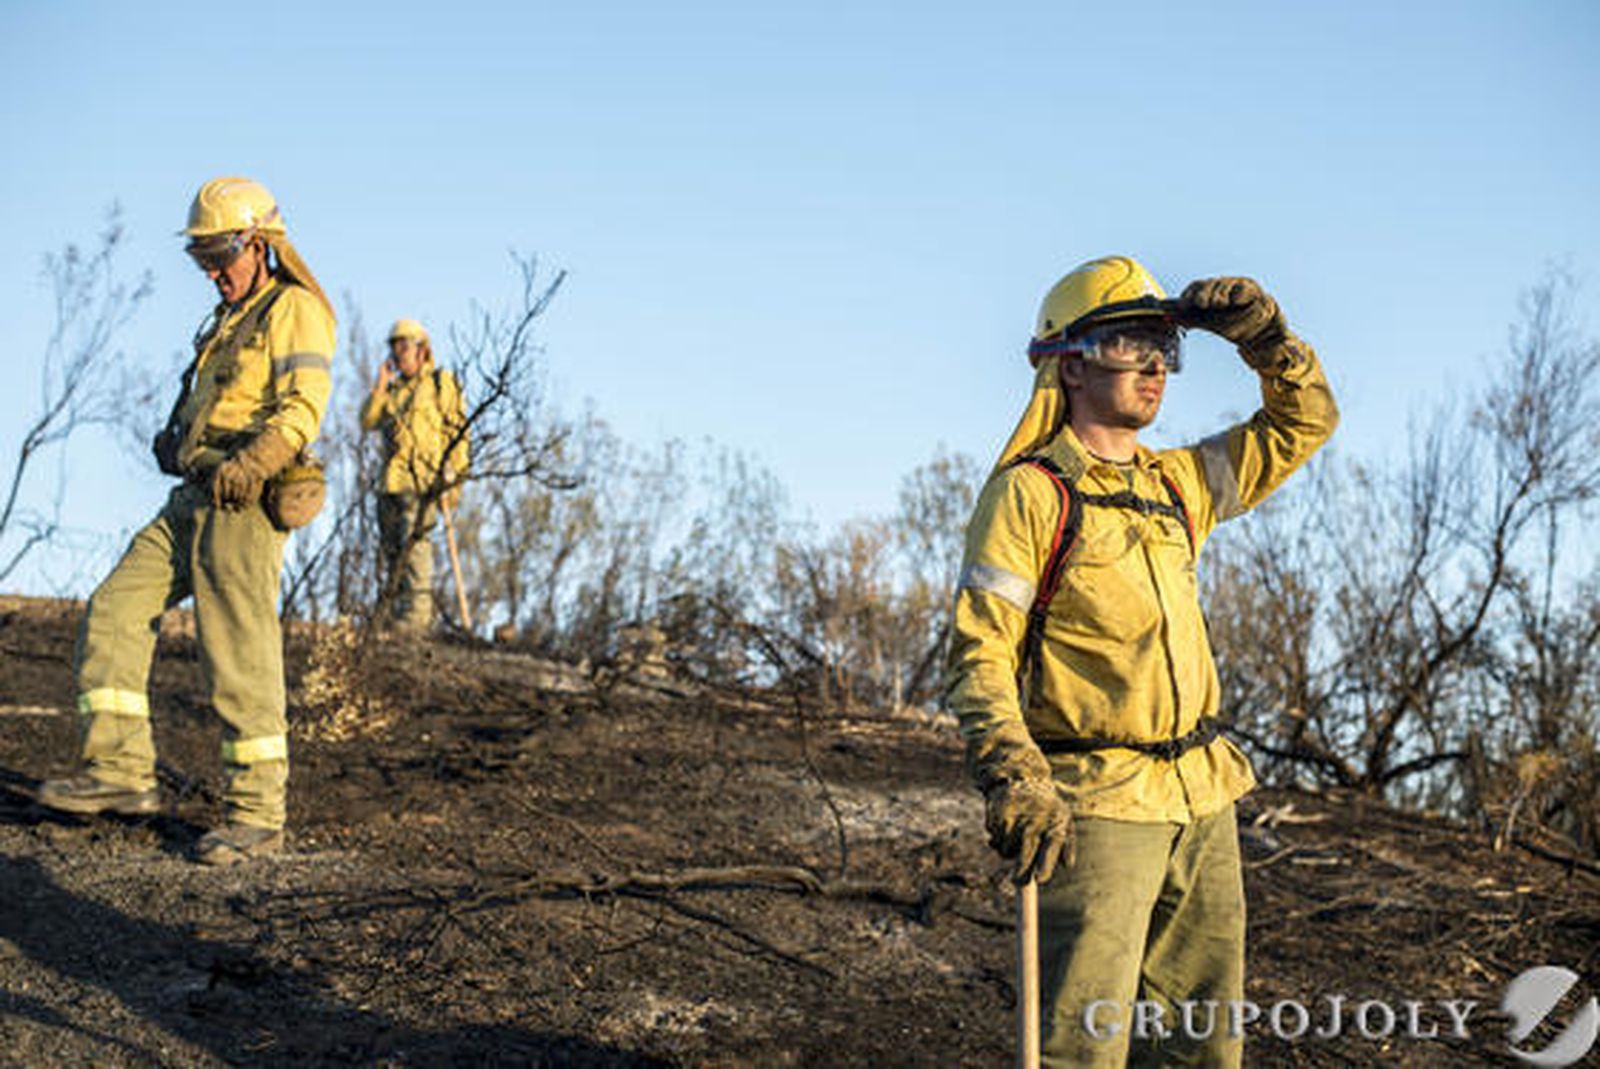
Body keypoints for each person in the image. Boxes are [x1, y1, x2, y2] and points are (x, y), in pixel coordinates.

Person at [945, 255, 1338, 1066]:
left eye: (1164, 346)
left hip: (1204, 800)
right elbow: (981, 650)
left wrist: (1269, 343)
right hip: (1096, 810)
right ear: (1071, 359)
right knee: (1081, 1045)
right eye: (1130, 343)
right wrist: (1013, 772)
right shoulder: (1031, 494)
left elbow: (1302, 425)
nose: (1156, 365)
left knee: (1202, 1043)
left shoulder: (1180, 483)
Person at [38, 176, 336, 866]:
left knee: (238, 652)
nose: (212, 270)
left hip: (243, 494)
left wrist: (255, 461)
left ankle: (258, 815)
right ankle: (118, 772)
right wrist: (179, 442)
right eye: (200, 257)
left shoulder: (295, 309)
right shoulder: (229, 319)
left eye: (220, 254)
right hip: (194, 493)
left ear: (259, 244)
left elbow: (302, 406)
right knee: (115, 606)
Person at [360, 318, 469, 632]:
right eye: (394, 347)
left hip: (423, 483)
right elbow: (367, 420)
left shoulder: (440, 383)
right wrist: (380, 385)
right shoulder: (393, 392)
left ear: (422, 349)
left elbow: (458, 432)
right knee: (393, 551)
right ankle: (396, 616)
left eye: (404, 346)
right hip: (390, 484)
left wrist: (455, 478)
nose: (398, 354)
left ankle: (417, 618)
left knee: (416, 547)